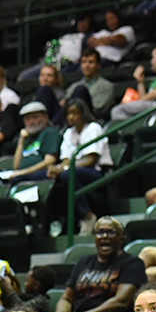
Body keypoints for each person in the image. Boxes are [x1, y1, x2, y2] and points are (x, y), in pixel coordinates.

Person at [48, 217, 146, 312]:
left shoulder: (132, 263)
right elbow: (67, 298)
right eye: (100, 232)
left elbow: (121, 302)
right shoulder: (84, 262)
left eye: (111, 232)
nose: (104, 236)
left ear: (121, 237)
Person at [45, 98, 113, 236]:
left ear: (83, 113)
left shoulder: (93, 128)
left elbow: (90, 160)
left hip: (97, 171)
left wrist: (64, 168)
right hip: (74, 171)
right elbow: (65, 159)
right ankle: (59, 220)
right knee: (54, 177)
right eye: (68, 114)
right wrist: (57, 169)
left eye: (74, 113)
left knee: (67, 174)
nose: (70, 117)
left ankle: (87, 216)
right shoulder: (68, 133)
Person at [5, 102, 61, 182]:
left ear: (45, 117)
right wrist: (21, 141)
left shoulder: (50, 132)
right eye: (27, 119)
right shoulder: (27, 137)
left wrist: (22, 173)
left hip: (37, 176)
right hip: (21, 176)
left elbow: (49, 161)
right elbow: (16, 166)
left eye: (35, 117)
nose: (31, 122)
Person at [62, 49, 114, 117]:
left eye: (91, 62)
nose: (87, 66)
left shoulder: (106, 86)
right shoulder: (73, 86)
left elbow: (97, 109)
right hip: (69, 116)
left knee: (81, 90)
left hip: (89, 117)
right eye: (84, 62)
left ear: (98, 65)